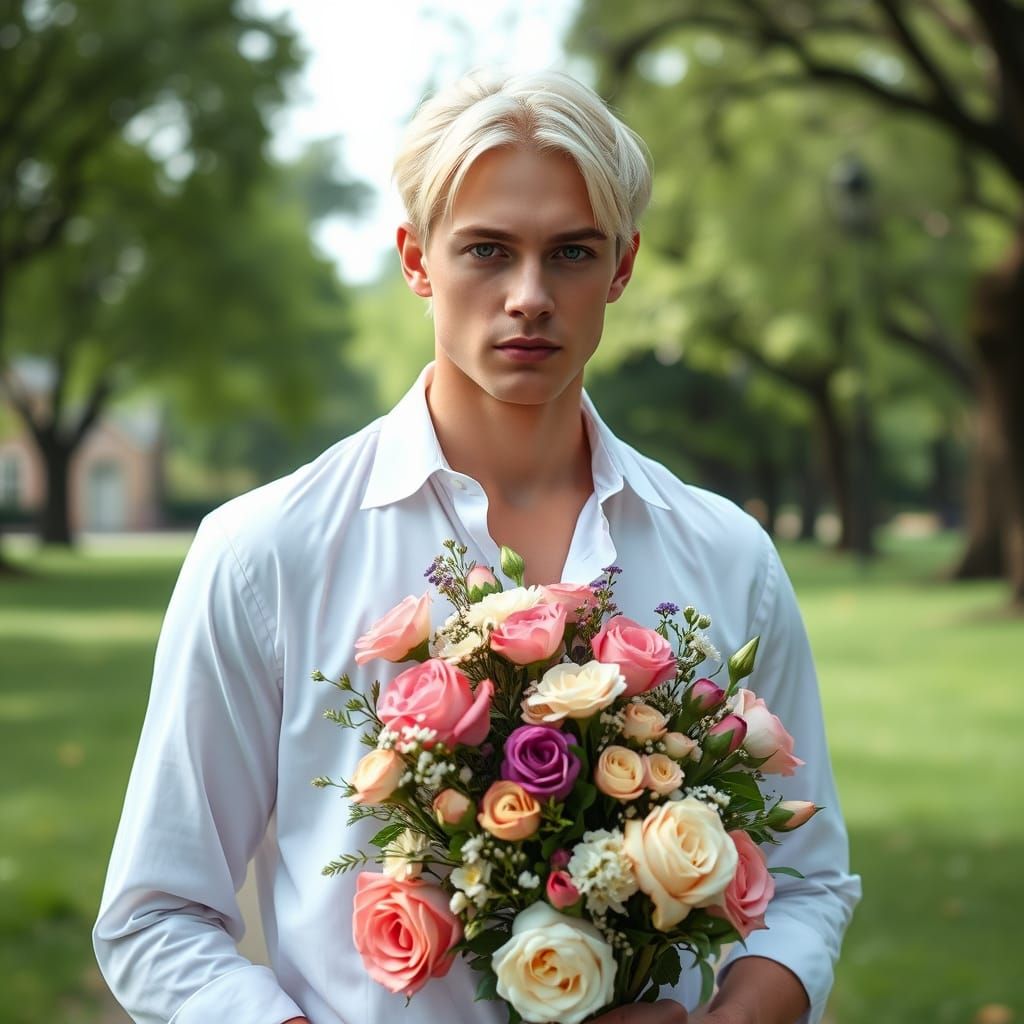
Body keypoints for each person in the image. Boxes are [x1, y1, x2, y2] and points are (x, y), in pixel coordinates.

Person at [94, 69, 860, 1024]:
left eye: (572, 252)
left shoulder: (728, 554)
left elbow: (808, 883)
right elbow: (156, 915)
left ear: (622, 266)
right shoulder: (265, 551)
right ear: (417, 259)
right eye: (487, 250)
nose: (529, 296)